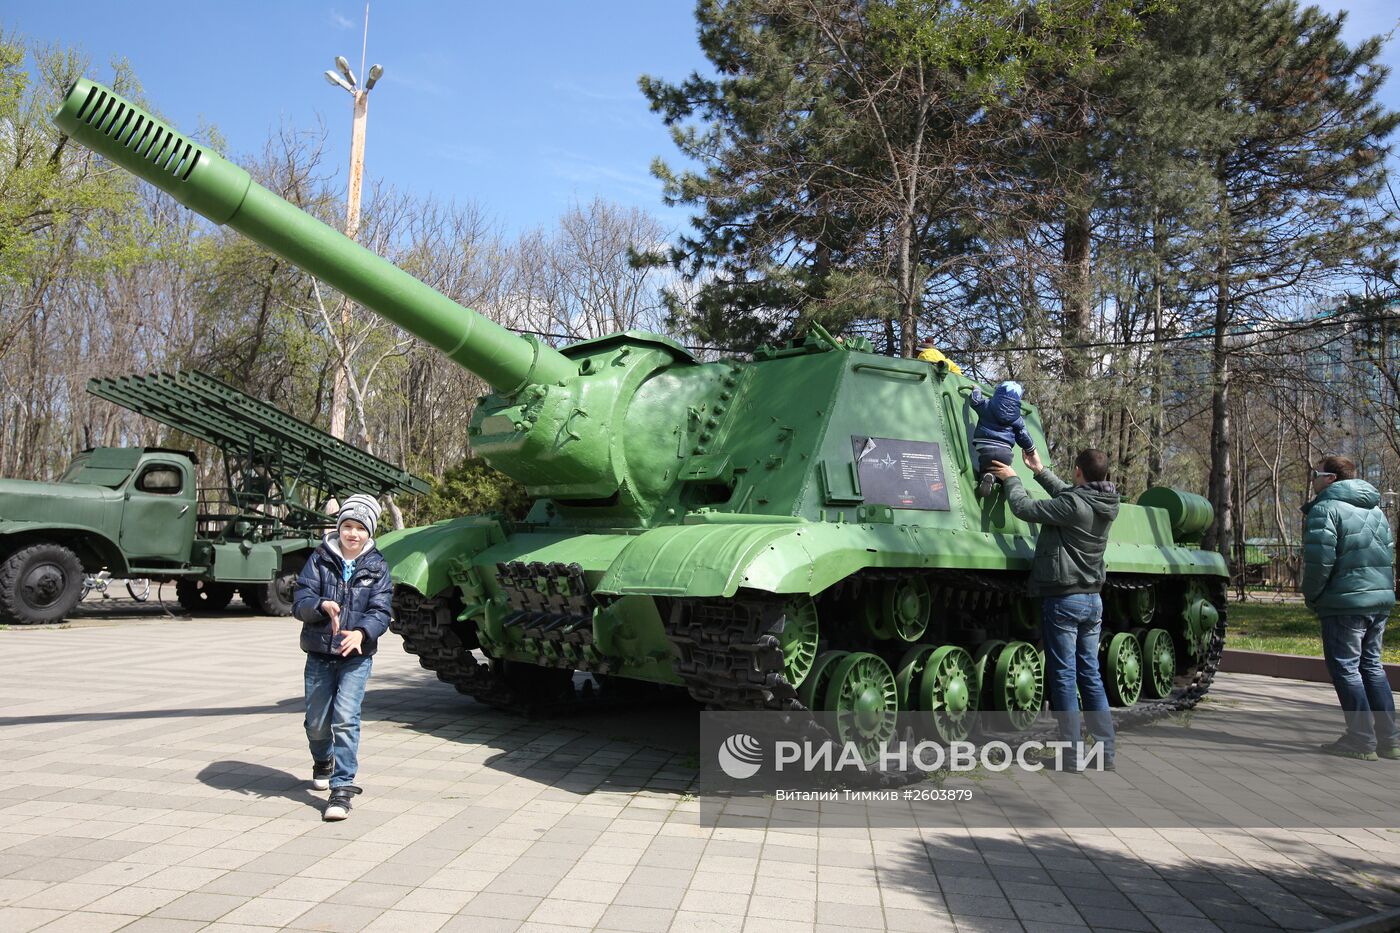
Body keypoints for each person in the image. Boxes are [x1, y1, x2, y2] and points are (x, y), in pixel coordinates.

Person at [989, 449, 1120, 771]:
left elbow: (1024, 507)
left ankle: (1072, 756)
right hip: (1092, 600)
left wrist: (1013, 479)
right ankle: (1106, 753)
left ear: (1078, 472)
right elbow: (1070, 498)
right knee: (1089, 675)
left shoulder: (1075, 505)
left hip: (1065, 598)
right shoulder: (1105, 503)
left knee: (1063, 676)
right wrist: (1040, 470)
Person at [292, 493, 392, 820]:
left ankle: (343, 788)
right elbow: (300, 599)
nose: (353, 533)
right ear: (338, 528)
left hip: (356, 657)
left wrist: (363, 632)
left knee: (345, 719)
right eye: (347, 526)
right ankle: (323, 758)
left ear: (369, 532)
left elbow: (381, 610)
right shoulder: (319, 559)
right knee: (318, 723)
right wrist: (320, 605)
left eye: (360, 528)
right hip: (320, 653)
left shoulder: (377, 567)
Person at [1301, 456, 1398, 761]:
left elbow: (1320, 561)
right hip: (1378, 601)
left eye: (1316, 473)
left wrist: (1312, 595)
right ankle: (1390, 740)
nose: (1313, 478)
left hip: (1344, 602)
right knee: (1371, 666)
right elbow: (1389, 553)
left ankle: (1360, 739)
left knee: (1346, 668)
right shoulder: (1376, 510)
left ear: (1330, 478)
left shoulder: (1325, 509)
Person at [968, 380, 1036, 499]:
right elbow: (1023, 435)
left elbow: (975, 402)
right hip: (1005, 452)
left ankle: (987, 476)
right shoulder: (1017, 418)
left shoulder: (988, 404)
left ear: (999, 391)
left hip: (985, 448)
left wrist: (976, 390)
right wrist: (1030, 449)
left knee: (987, 468)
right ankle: (1005, 484)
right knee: (1002, 470)